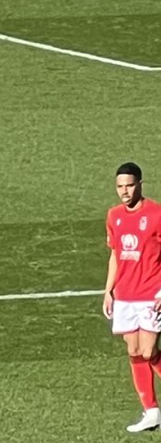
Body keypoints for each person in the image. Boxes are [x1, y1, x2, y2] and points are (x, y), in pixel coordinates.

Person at [107, 161, 161, 434]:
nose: (124, 192)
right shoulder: (114, 215)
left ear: (140, 184)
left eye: (129, 185)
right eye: (120, 187)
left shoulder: (156, 214)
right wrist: (108, 291)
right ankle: (151, 412)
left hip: (152, 294)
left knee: (149, 351)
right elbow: (115, 254)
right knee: (134, 352)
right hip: (125, 296)